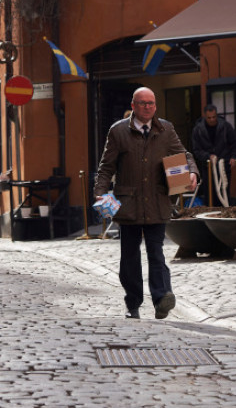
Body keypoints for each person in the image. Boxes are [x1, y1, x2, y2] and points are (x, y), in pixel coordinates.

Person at [94, 87, 198, 320]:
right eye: (142, 103)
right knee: (129, 257)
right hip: (128, 203)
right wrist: (100, 192)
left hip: (157, 201)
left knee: (156, 252)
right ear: (133, 105)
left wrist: (191, 172)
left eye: (151, 103)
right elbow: (106, 168)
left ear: (155, 106)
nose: (147, 107)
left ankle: (162, 298)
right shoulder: (118, 131)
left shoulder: (166, 129)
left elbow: (183, 155)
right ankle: (133, 303)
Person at [191, 104, 236, 206]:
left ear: (216, 115)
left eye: (214, 117)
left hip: (224, 165)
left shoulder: (225, 126)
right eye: (209, 118)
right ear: (205, 116)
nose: (212, 120)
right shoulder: (198, 130)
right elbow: (196, 150)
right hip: (208, 167)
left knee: (224, 191)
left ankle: (225, 213)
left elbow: (235, 143)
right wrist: (207, 156)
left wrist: (234, 156)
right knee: (210, 193)